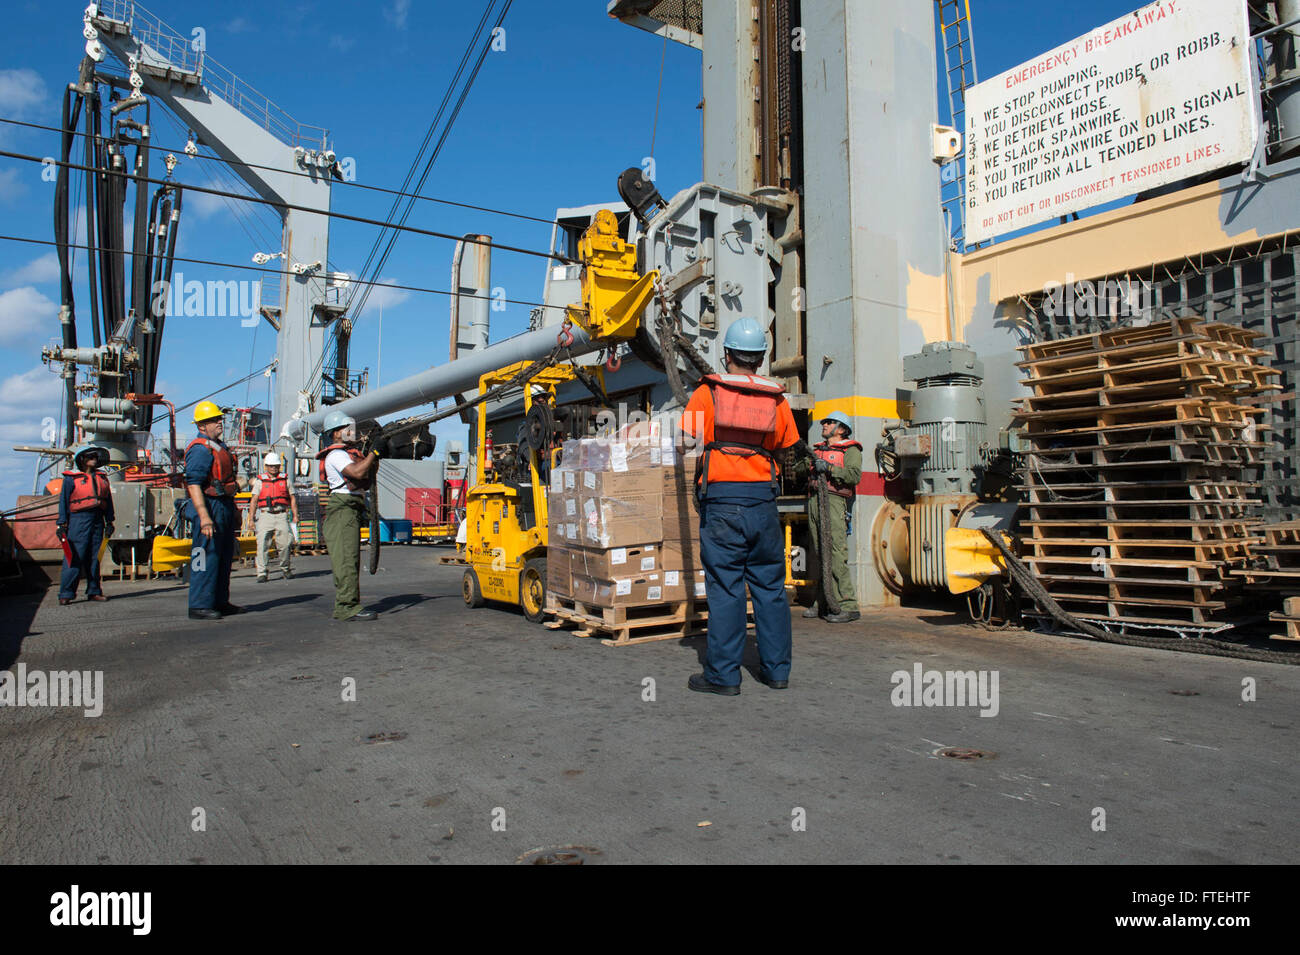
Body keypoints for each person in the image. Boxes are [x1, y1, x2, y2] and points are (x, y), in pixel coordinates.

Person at [680, 316, 800, 695]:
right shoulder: (776, 400)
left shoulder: (708, 393)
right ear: (761, 359)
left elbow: (685, 441)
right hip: (763, 503)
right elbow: (788, 448)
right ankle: (777, 672)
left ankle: (723, 676)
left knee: (726, 587)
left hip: (722, 503)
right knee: (770, 588)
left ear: (727, 354)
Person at [316, 411, 385, 622]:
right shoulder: (336, 455)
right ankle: (346, 607)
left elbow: (367, 472)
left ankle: (349, 603)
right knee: (346, 560)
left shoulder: (346, 453)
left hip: (351, 508)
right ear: (336, 433)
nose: (352, 432)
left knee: (351, 559)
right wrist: (374, 452)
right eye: (348, 428)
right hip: (343, 509)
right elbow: (357, 473)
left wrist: (375, 453)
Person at [184, 401, 243, 621]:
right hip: (209, 506)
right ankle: (199, 605)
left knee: (224, 556)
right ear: (202, 426)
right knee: (204, 555)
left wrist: (234, 510)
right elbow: (194, 484)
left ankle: (219, 601)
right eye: (214, 420)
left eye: (220, 419)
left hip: (224, 505)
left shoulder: (220, 447)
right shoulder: (201, 450)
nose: (220, 422)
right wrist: (204, 517)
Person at [801, 411, 862, 622]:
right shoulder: (817, 449)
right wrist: (802, 457)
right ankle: (823, 602)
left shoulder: (851, 450)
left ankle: (848, 604)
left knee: (835, 552)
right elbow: (799, 470)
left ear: (842, 429)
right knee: (820, 554)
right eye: (824, 422)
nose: (824, 424)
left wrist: (829, 467)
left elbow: (854, 475)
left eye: (830, 422)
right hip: (815, 501)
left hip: (834, 502)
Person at [56, 444, 114, 605]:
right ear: (82, 459)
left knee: (95, 557)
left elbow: (108, 501)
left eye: (95, 456)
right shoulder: (70, 479)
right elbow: (63, 502)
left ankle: (94, 591)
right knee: (74, 556)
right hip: (78, 519)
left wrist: (110, 521)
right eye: (91, 456)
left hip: (97, 520)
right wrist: (61, 524)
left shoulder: (102, 478)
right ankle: (66, 593)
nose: (94, 459)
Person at [250, 451, 298, 582]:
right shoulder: (260, 481)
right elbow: (254, 500)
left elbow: (292, 498)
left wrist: (295, 515)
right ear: (266, 466)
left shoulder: (285, 480)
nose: (273, 468)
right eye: (271, 466)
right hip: (265, 515)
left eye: (276, 465)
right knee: (262, 545)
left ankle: (286, 569)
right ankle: (262, 572)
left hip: (281, 514)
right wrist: (251, 519)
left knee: (285, 544)